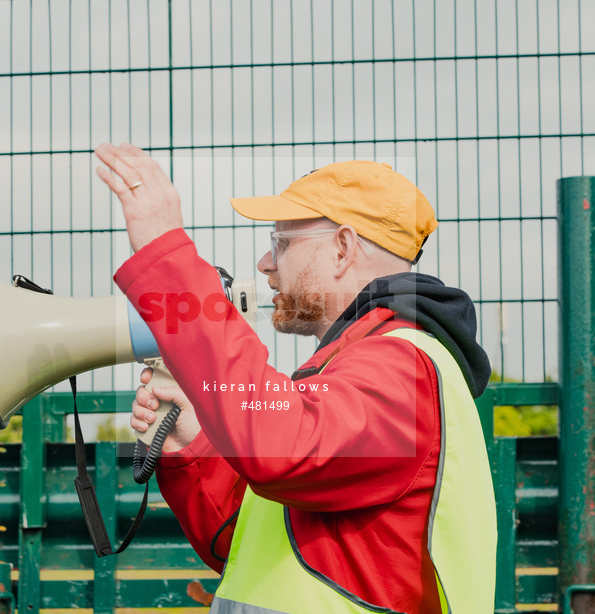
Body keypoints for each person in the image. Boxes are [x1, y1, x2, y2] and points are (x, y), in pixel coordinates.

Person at [95, 143, 497, 614]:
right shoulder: (353, 368)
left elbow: (286, 451)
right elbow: (245, 544)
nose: (266, 263)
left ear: (343, 248)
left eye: (281, 243)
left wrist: (166, 252)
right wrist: (195, 445)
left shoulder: (403, 370)